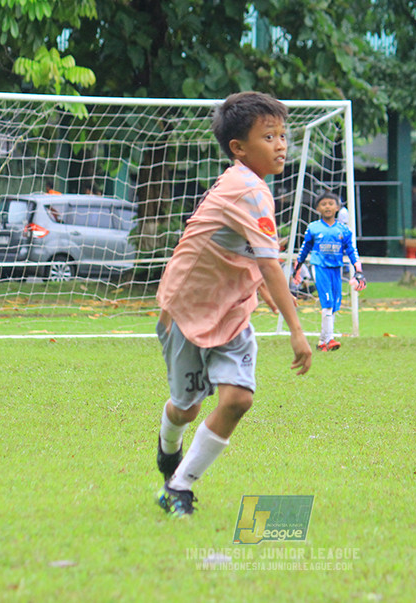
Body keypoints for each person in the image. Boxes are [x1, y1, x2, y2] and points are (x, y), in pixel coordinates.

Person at [153, 92, 312, 517]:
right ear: (239, 149)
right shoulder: (248, 189)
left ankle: (180, 485)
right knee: (186, 408)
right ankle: (169, 447)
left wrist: (257, 286)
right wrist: (298, 331)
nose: (281, 144)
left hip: (232, 310)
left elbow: (251, 254)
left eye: (283, 134)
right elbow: (270, 264)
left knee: (239, 399)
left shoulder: (253, 187)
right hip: (185, 310)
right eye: (269, 136)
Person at [292, 191, 365, 351]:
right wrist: (297, 268)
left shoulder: (343, 230)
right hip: (319, 267)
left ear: (337, 207)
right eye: (323, 204)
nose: (327, 207)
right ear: (318, 208)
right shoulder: (313, 228)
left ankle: (321, 342)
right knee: (327, 302)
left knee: (334, 305)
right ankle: (331, 339)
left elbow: (352, 251)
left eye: (331, 204)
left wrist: (358, 270)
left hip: (336, 269)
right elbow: (304, 250)